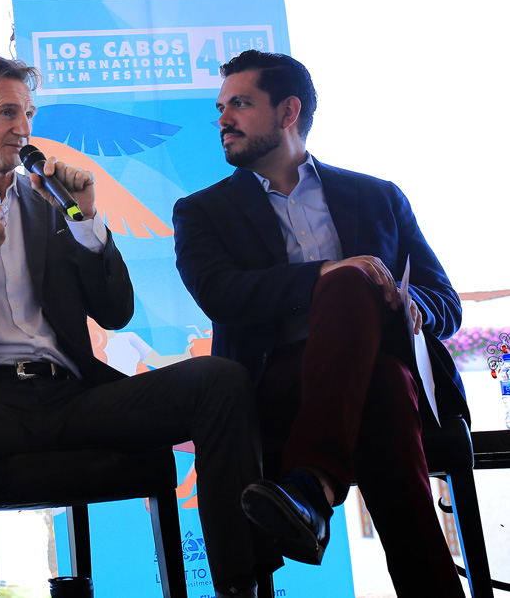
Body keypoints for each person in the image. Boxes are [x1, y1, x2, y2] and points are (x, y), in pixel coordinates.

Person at [0, 54, 271, 598]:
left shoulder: (52, 204)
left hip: (71, 398)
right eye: (8, 113)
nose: (24, 128)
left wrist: (85, 221)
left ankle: (238, 586)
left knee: (220, 380)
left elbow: (116, 312)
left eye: (29, 114)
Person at [172, 49, 467, 598]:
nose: (223, 119)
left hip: (389, 369)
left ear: (288, 112)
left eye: (239, 104)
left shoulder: (377, 196)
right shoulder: (201, 211)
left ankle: (311, 486)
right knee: (370, 351)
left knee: (379, 373)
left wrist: (403, 302)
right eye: (220, 107)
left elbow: (446, 304)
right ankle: (323, 491)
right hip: (278, 383)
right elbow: (219, 294)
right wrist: (328, 274)